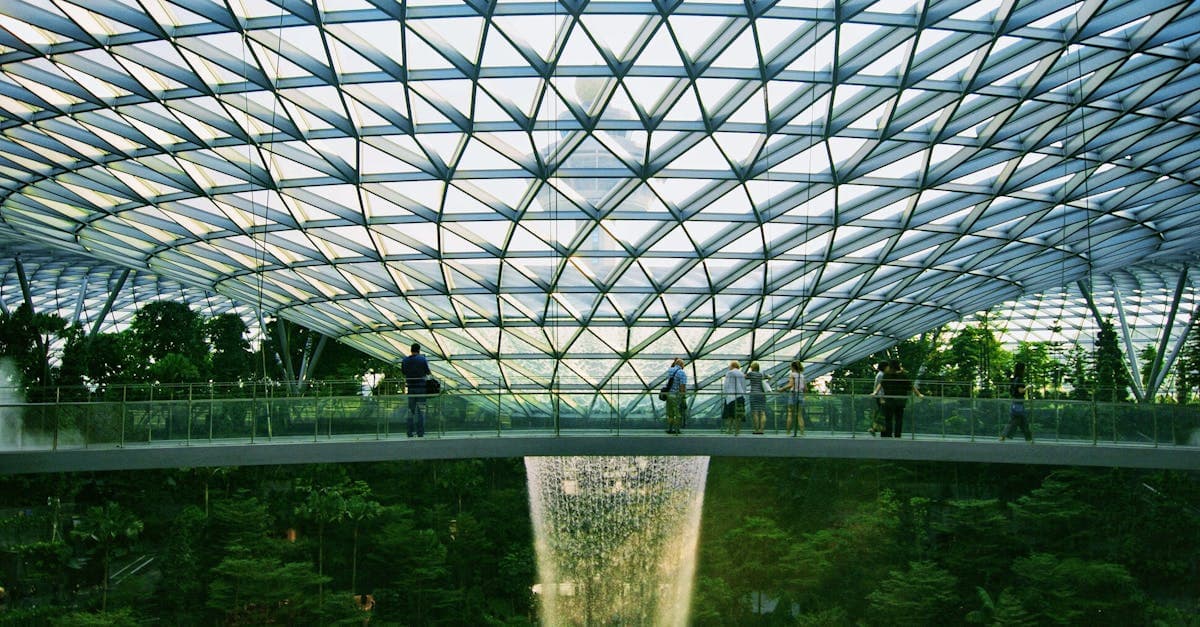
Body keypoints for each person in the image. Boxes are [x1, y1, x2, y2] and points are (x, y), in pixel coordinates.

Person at [875, 360, 922, 438]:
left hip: (889, 400)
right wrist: (918, 394)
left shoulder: (887, 375)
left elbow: (881, 384)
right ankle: (897, 435)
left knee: (888, 418)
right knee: (899, 418)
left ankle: (888, 435)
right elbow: (910, 386)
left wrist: (875, 392)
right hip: (900, 400)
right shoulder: (903, 376)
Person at [401, 343, 431, 437]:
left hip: (410, 388)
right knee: (421, 411)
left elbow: (403, 371)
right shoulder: (422, 359)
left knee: (411, 411)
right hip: (421, 388)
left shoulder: (405, 360)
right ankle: (420, 432)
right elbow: (427, 371)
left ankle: (409, 432)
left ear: (411, 350)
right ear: (419, 350)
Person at [1000, 362, 1033, 442]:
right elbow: (1020, 390)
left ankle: (1028, 438)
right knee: (1018, 421)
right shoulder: (1019, 380)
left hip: (1015, 402)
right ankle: (1028, 439)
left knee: (1021, 421)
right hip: (1019, 402)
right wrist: (1028, 387)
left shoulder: (1013, 379)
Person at [778, 360, 805, 436]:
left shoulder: (792, 374)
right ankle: (802, 433)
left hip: (793, 394)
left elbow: (790, 384)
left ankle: (788, 432)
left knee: (790, 413)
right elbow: (805, 388)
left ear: (793, 367)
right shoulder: (802, 375)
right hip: (801, 394)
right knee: (799, 414)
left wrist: (782, 389)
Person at [662, 358, 688, 434]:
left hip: (668, 394)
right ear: (682, 365)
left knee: (670, 413)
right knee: (677, 413)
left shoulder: (670, 370)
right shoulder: (682, 373)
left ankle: (670, 429)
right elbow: (682, 386)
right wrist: (683, 395)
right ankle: (677, 430)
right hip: (676, 395)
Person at [722, 360, 747, 435]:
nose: (729, 367)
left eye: (730, 366)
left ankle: (729, 429)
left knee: (729, 415)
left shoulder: (729, 373)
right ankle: (737, 431)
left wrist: (725, 393)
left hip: (731, 396)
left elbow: (726, 385)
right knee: (738, 415)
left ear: (732, 366)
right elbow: (744, 386)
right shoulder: (741, 374)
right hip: (740, 396)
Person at [746, 362, 768, 434]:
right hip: (762, 394)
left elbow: (744, 376)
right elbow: (769, 377)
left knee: (755, 412)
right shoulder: (761, 374)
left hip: (754, 394)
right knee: (762, 412)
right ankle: (761, 429)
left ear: (752, 367)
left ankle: (756, 429)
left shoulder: (751, 373)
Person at [869, 362, 886, 435]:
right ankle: (875, 428)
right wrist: (881, 398)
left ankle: (876, 428)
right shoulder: (881, 375)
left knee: (880, 413)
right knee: (881, 413)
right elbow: (881, 388)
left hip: (879, 396)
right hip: (880, 396)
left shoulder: (879, 374)